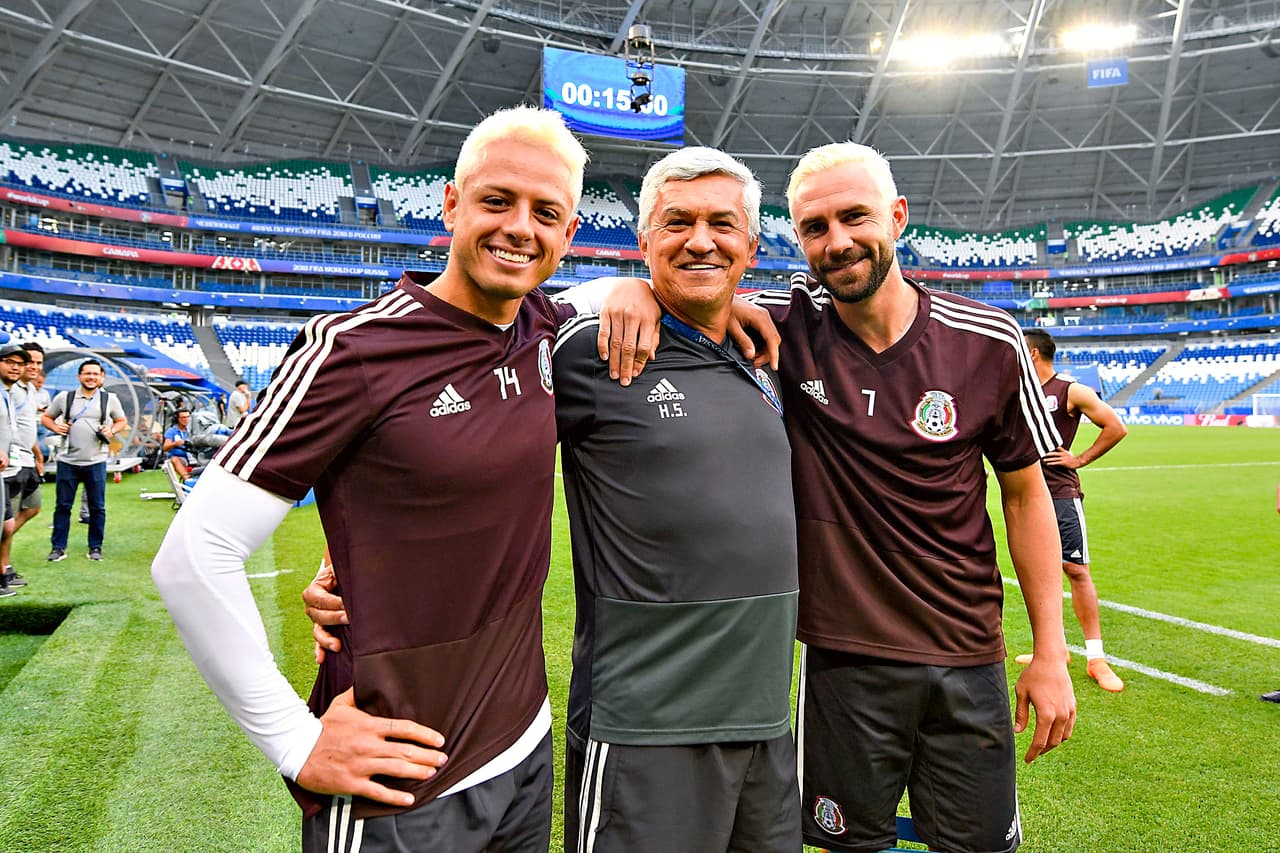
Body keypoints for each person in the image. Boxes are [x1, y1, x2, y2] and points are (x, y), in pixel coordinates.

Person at [306, 148, 802, 853]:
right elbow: (444, 440)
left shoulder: (771, 348)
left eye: (722, 224)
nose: (700, 239)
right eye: (676, 222)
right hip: (645, 722)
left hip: (764, 720)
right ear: (644, 241)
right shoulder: (590, 347)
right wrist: (344, 554)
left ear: (753, 245)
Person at [594, 142, 1075, 853]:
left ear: (898, 217)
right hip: (842, 663)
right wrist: (630, 288)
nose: (838, 241)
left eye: (855, 217)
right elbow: (692, 289)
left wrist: (1052, 653)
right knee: (850, 844)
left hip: (968, 654)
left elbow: (1026, 494)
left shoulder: (990, 340)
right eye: (815, 227)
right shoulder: (786, 329)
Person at [153, 106, 595, 853]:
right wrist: (295, 741)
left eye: (545, 212)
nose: (520, 227)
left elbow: (612, 294)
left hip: (524, 751)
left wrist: (647, 293)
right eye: (497, 201)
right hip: (400, 788)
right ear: (452, 204)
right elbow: (195, 554)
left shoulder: (542, 329)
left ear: (569, 234)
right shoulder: (352, 348)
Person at [1015, 329, 1129, 693]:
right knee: (1039, 570)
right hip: (1025, 494)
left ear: (1032, 354)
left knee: (1076, 569)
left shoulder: (1071, 390)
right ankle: (1053, 649)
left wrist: (1079, 459)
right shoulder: (1019, 390)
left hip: (1061, 492)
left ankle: (1096, 658)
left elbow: (1115, 427)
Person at [40, 358, 126, 562]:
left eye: (95, 374)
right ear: (79, 376)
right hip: (67, 461)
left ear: (101, 377)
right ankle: (58, 548)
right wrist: (55, 427)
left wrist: (111, 429)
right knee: (63, 506)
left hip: (96, 461)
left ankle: (95, 547)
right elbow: (46, 417)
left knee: (97, 508)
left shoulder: (109, 399)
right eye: (87, 373)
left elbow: (121, 421)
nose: (91, 377)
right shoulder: (65, 397)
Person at [0, 343, 42, 588]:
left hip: (23, 460)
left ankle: (4, 567)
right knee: (6, 521)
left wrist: (37, 453)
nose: (32, 367)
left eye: (36, 363)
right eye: (11, 363)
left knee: (26, 511)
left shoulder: (22, 390)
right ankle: (5, 568)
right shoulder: (10, 390)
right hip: (10, 464)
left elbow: (20, 427)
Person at [0, 344, 22, 598]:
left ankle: (3, 573)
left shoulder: (7, 392)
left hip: (7, 468)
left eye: (19, 363)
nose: (15, 367)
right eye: (9, 362)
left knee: (6, 525)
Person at [162, 409, 194, 480]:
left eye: (188, 417)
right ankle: (188, 480)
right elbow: (165, 447)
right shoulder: (172, 431)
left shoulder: (192, 430)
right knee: (175, 459)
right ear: (177, 419)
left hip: (195, 456)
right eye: (183, 417)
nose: (186, 419)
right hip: (181, 458)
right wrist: (175, 443)